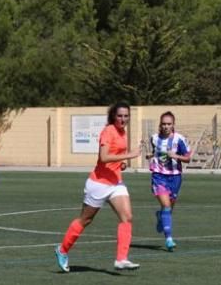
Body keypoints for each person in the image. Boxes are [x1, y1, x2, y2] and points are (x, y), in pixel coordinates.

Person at [55, 102, 143, 272]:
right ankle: (62, 249)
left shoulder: (122, 132)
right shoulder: (108, 131)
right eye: (120, 115)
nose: (123, 119)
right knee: (85, 220)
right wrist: (129, 155)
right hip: (98, 184)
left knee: (127, 217)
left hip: (115, 183)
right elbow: (103, 157)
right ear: (113, 116)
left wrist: (121, 164)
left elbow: (115, 157)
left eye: (126, 116)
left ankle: (121, 259)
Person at [146, 111, 191, 251]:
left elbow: (188, 158)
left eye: (169, 124)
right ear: (160, 124)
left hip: (175, 177)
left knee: (169, 208)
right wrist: (150, 155)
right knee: (166, 205)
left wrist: (175, 156)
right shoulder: (154, 138)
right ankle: (169, 239)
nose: (166, 126)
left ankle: (160, 216)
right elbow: (155, 151)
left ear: (173, 125)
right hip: (159, 176)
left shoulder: (179, 139)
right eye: (164, 124)